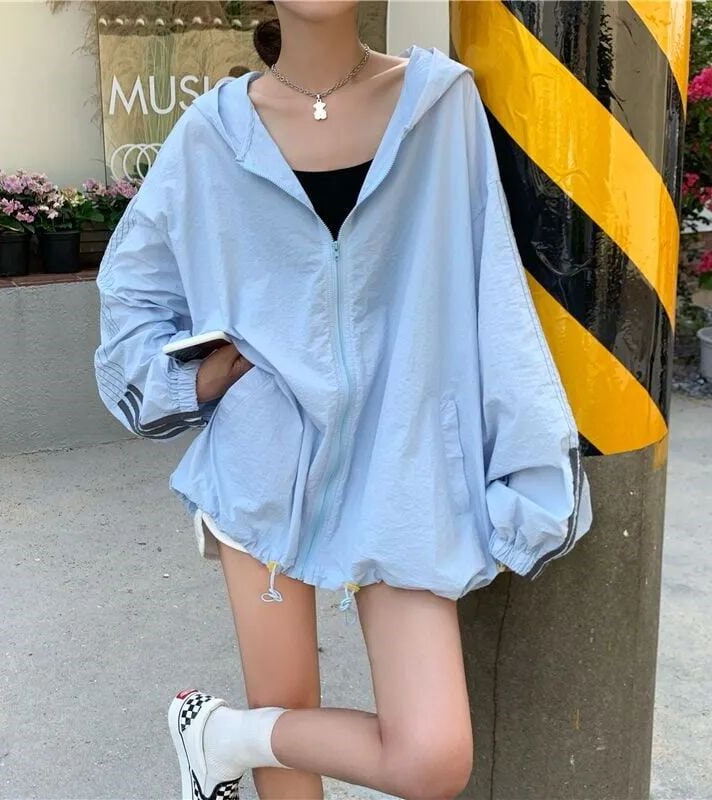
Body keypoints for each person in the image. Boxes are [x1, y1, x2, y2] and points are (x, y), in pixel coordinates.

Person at [93, 2, 594, 799]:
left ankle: (217, 737)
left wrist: (524, 465)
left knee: (432, 758)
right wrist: (208, 376)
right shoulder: (211, 134)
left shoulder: (441, 105)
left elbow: (493, 294)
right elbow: (132, 294)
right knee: (289, 755)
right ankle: (235, 741)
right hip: (264, 475)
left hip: (405, 468)